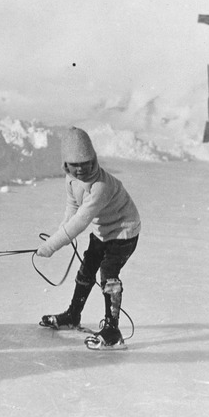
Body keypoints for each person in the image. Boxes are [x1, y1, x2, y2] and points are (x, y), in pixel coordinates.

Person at [35, 126, 141, 350]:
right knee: (86, 269)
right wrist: (57, 236)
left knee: (108, 274)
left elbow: (81, 220)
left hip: (124, 230)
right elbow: (72, 208)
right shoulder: (71, 179)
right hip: (102, 230)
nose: (82, 168)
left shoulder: (100, 186)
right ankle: (73, 315)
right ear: (67, 165)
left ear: (94, 160)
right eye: (75, 164)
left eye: (87, 162)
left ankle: (112, 330)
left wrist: (51, 246)